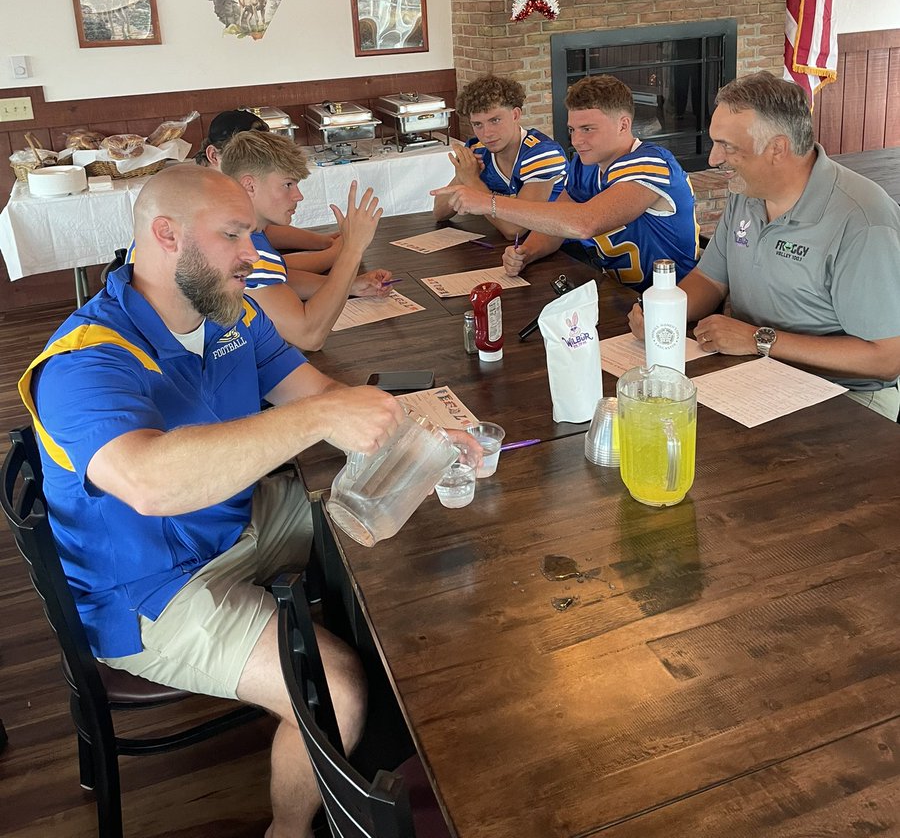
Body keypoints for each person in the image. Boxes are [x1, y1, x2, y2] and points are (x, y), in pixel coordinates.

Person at [18, 164, 408, 838]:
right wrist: (320, 419)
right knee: (337, 689)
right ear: (166, 235)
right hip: (148, 591)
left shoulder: (233, 314)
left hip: (231, 524)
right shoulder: (85, 360)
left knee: (386, 510)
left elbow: (316, 394)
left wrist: (423, 438)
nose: (252, 253)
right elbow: (149, 482)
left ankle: (408, 714)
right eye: (233, 234)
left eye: (251, 234)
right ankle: (288, 831)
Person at [628, 71, 900, 418]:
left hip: (847, 398)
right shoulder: (748, 192)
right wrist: (662, 314)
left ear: (777, 148)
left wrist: (758, 339)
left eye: (728, 146)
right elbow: (710, 280)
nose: (713, 159)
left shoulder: (862, 221)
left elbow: (886, 359)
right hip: (757, 372)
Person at [433, 75, 697, 294]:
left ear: (623, 125)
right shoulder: (586, 164)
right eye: (572, 130)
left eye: (588, 129)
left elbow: (585, 223)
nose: (576, 140)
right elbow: (556, 228)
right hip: (618, 294)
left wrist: (486, 202)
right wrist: (527, 252)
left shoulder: (651, 161)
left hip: (676, 304)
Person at [219, 130, 393, 351]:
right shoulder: (239, 250)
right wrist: (352, 249)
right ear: (249, 186)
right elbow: (309, 336)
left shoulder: (243, 230)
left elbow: (280, 280)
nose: (298, 196)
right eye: (288, 184)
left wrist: (351, 285)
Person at [198, 108, 341, 273]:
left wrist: (324, 241)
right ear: (213, 155)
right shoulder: (209, 205)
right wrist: (342, 251)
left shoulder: (243, 203)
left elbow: (266, 231)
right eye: (246, 150)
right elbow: (266, 267)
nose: (260, 159)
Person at [433, 74, 569, 241]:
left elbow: (514, 230)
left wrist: (472, 181)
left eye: (495, 120)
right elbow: (439, 213)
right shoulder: (479, 149)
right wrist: (462, 176)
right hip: (507, 248)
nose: (487, 133)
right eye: (478, 124)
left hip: (562, 248)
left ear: (515, 115)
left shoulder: (543, 154)